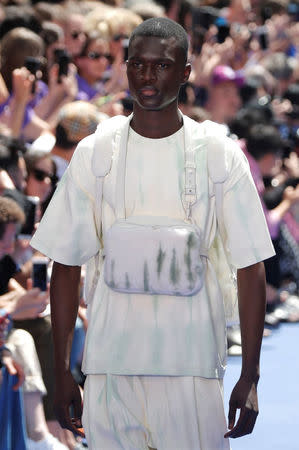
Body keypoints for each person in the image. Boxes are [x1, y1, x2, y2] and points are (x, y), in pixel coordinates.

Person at [31, 17, 275, 449]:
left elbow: (250, 263)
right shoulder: (96, 152)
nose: (148, 76)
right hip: (110, 366)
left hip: (192, 368)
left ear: (185, 73)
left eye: (162, 66)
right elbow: (65, 262)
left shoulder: (218, 154)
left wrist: (250, 376)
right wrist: (63, 370)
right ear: (126, 68)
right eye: (138, 65)